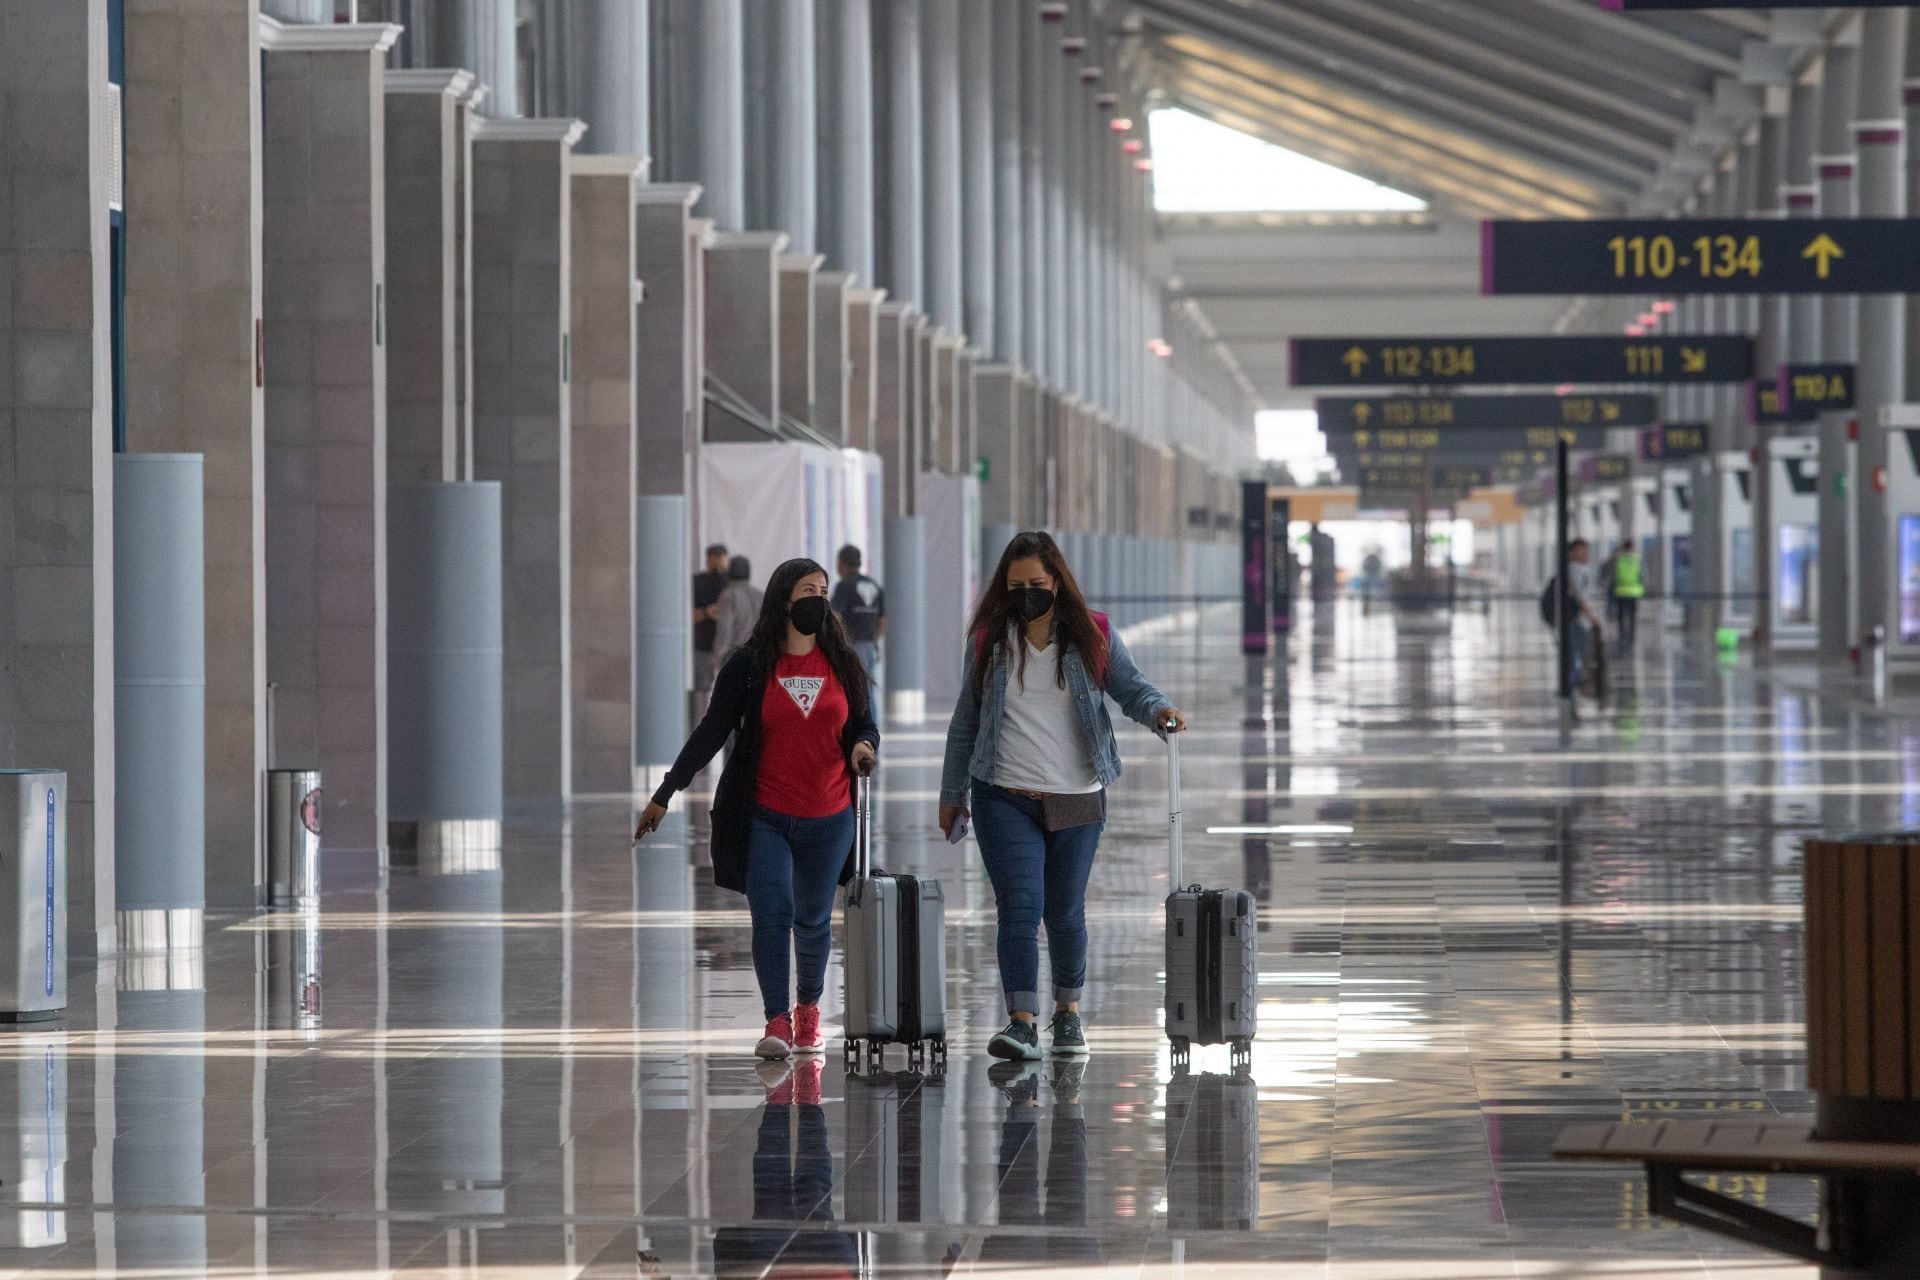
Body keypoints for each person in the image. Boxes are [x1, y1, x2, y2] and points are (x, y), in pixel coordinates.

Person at [939, 531, 1184, 1062]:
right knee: (1018, 908)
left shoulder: (1092, 634)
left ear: (1057, 581)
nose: (1027, 593)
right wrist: (952, 793)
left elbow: (1132, 688)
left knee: (1065, 912)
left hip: (1077, 795)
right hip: (1005, 793)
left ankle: (1068, 1014)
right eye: (1016, 585)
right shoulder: (989, 640)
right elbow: (966, 721)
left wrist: (1160, 712)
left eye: (1037, 584)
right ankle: (1021, 1023)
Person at [636, 558, 879, 1060]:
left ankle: (809, 1012)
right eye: (807, 590)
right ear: (783, 601)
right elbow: (712, 731)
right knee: (771, 914)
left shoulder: (844, 664)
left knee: (811, 921)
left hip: (830, 815)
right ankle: (776, 1020)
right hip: (765, 813)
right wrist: (666, 792)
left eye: (823, 590)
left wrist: (864, 747)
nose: (818, 598)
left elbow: (865, 725)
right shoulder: (749, 665)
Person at [830, 544, 886, 683]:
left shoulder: (844, 585)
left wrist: (836, 642)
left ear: (841, 563)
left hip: (851, 645)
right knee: (867, 689)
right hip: (870, 645)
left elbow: (835, 616)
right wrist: (872, 639)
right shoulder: (874, 585)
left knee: (854, 690)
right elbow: (882, 621)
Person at [1565, 539, 1605, 697]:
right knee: (1576, 651)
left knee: (1578, 651)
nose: (1585, 554)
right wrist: (1590, 617)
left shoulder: (1582, 568)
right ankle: (1572, 681)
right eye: (1581, 550)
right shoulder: (1573, 569)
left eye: (1586, 550)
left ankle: (1573, 680)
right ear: (1572, 552)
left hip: (1582, 619)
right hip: (1577, 619)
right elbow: (1579, 596)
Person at [691, 543, 730, 702]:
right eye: (715, 559)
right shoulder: (698, 582)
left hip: (727, 646)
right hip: (704, 644)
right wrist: (707, 612)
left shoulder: (731, 584)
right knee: (702, 689)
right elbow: (688, 616)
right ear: (709, 560)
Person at [711, 555, 764, 659]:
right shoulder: (760, 595)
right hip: (759, 652)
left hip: (735, 654)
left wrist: (718, 657)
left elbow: (724, 630)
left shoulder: (728, 595)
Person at [1610, 540, 1644, 652]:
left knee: (1621, 616)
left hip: (1621, 591)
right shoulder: (1637, 560)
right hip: (1634, 592)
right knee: (1632, 616)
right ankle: (1631, 638)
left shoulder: (1619, 560)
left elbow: (1613, 576)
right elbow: (1643, 576)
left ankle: (1622, 636)